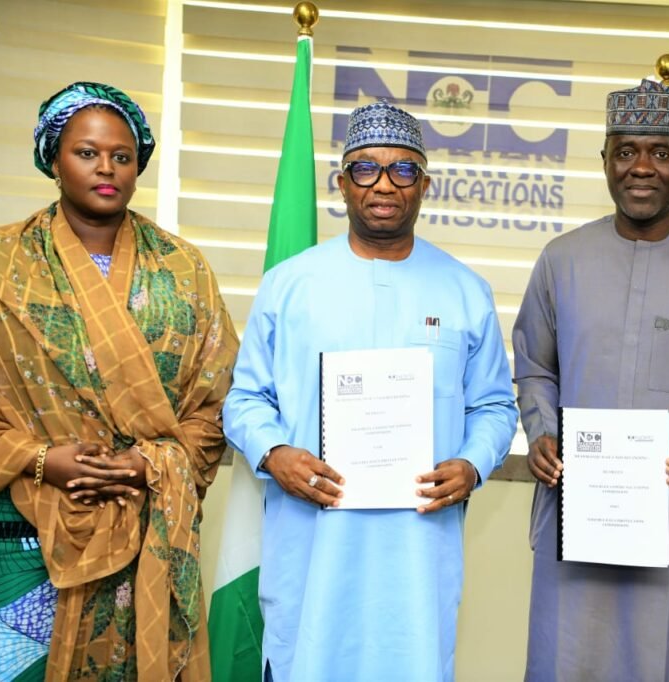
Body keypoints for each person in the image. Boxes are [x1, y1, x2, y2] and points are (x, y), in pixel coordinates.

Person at [222, 99, 518, 682]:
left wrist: (472, 465)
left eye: (402, 169)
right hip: (313, 543)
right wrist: (274, 454)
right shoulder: (289, 286)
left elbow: (493, 405)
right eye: (366, 169)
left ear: (424, 186)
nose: (384, 184)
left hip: (417, 547)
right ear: (342, 184)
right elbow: (244, 398)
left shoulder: (464, 291)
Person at [513, 78, 669, 681]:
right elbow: (534, 368)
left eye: (660, 152)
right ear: (605, 160)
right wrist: (544, 435)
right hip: (578, 514)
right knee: (567, 662)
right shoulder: (562, 260)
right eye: (626, 151)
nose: (642, 167)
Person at [0, 82, 239, 680]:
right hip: (22, 538)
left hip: (147, 535)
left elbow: (216, 406)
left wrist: (146, 465)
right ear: (53, 158)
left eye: (122, 156)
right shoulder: (3, 264)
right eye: (86, 152)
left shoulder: (183, 270)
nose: (107, 168)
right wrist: (40, 459)